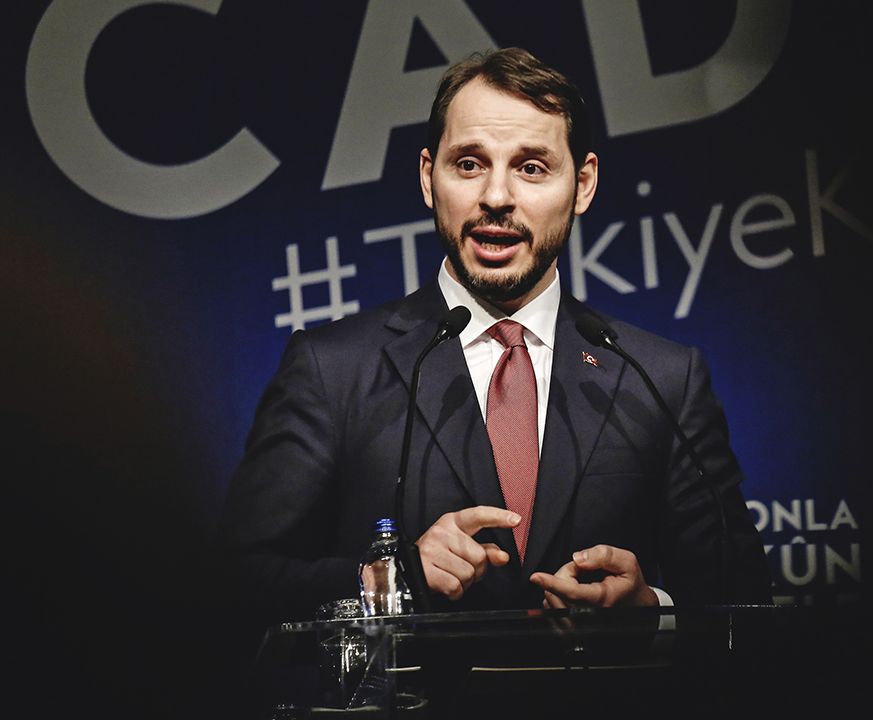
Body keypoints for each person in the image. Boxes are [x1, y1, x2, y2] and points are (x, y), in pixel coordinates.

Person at [215, 47, 771, 637]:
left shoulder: (661, 377)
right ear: (429, 178)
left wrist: (652, 609)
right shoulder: (333, 369)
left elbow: (742, 597)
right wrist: (389, 579)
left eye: (532, 167)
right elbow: (237, 581)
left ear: (582, 185)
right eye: (470, 164)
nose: (497, 197)